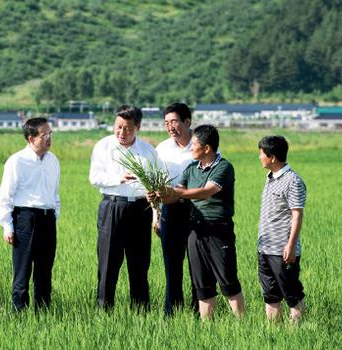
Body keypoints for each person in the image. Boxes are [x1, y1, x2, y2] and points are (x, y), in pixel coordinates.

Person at [155, 124, 245, 320]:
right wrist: (158, 195)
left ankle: (242, 324)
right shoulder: (191, 168)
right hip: (194, 229)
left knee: (227, 281)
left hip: (218, 229)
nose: (190, 148)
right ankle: (206, 326)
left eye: (194, 144)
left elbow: (205, 192)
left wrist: (173, 191)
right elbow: (175, 198)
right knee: (202, 283)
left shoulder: (224, 167)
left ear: (207, 148)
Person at [89, 105, 156, 310]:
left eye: (127, 128)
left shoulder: (148, 151)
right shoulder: (103, 146)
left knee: (139, 264)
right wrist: (118, 179)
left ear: (138, 127)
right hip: (112, 207)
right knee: (108, 264)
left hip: (140, 209)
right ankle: (104, 311)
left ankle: (141, 312)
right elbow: (94, 178)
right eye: (118, 127)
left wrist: (156, 213)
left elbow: (154, 182)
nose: (121, 132)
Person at [0, 117, 60, 311]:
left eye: (50, 134)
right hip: (26, 218)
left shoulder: (53, 160)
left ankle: (43, 313)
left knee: (44, 272)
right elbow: (6, 196)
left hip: (47, 218)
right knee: (23, 271)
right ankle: (18, 314)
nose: (49, 138)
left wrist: (54, 217)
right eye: (44, 135)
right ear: (31, 138)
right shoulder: (17, 161)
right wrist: (7, 225)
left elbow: (54, 193)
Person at [154, 102, 199, 315]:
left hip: (197, 209)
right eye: (166, 123)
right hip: (170, 209)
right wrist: (156, 215)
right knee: (172, 264)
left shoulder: (202, 145)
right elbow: (154, 185)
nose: (171, 127)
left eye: (175, 122)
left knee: (197, 263)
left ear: (187, 122)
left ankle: (199, 310)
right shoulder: (162, 149)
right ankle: (172, 311)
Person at [257, 135, 306, 322]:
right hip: (264, 248)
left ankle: (297, 335)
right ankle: (274, 334)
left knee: (292, 295)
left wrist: (291, 245)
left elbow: (297, 214)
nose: (259, 157)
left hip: (282, 250)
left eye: (261, 154)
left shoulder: (293, 181)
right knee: (270, 295)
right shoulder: (269, 178)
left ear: (272, 157)